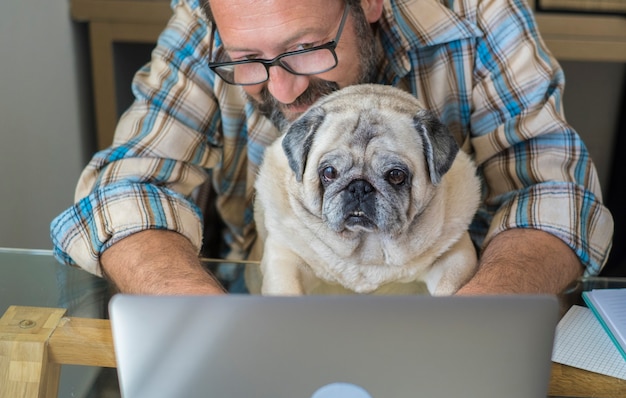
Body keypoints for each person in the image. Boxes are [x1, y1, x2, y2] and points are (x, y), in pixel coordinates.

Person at [50, 0, 613, 295]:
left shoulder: (480, 14)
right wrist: (195, 314)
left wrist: (482, 318)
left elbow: (556, 194)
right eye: (248, 60)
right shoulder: (209, 21)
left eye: (305, 48)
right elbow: (122, 191)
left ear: (368, 2)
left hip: (458, 301)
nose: (281, 88)